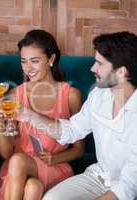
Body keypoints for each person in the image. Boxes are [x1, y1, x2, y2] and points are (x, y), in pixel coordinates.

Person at [19, 31, 137, 200]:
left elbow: (129, 185)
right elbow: (71, 130)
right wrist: (27, 115)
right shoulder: (99, 95)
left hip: (128, 188)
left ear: (121, 72)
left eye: (99, 63)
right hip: (99, 176)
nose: (92, 68)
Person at [0, 29, 85, 200]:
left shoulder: (71, 95)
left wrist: (55, 158)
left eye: (35, 61)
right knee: (33, 186)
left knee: (19, 162)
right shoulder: (14, 96)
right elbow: (6, 154)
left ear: (51, 59)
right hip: (16, 172)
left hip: (54, 168)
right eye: (24, 61)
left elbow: (79, 149)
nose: (28, 68)